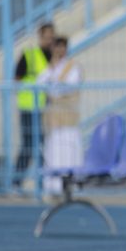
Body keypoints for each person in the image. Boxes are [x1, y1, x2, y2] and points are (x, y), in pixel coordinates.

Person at [37, 37, 84, 196]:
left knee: (69, 148)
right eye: (57, 47)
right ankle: (53, 185)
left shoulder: (73, 66)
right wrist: (52, 70)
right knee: (54, 149)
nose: (59, 51)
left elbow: (67, 87)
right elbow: (41, 81)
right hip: (54, 118)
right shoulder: (50, 67)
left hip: (68, 116)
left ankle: (71, 183)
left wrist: (53, 85)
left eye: (62, 47)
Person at [13, 23, 55, 188]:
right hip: (28, 107)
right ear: (40, 36)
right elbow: (17, 79)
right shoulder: (29, 54)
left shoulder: (53, 56)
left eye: (52, 37)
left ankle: (43, 182)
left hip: (43, 108)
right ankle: (16, 182)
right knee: (28, 145)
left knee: (42, 144)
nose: (49, 40)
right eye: (46, 37)